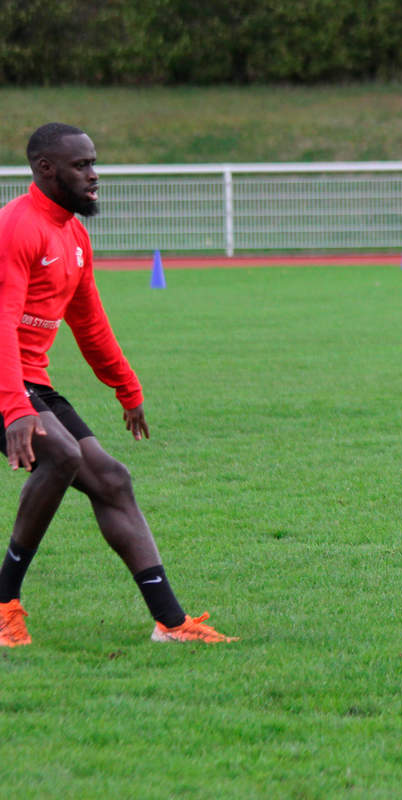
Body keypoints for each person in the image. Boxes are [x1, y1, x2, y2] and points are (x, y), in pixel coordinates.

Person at [0, 123, 236, 646]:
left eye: (94, 163)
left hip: (29, 378)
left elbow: (89, 323)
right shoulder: (17, 227)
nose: (94, 175)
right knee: (61, 454)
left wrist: (126, 388)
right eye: (82, 165)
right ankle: (3, 603)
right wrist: (15, 409)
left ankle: (172, 624)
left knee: (111, 479)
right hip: (5, 378)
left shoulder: (74, 234)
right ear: (45, 169)